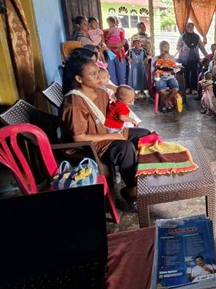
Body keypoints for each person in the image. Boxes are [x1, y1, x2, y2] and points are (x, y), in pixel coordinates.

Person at [60, 56, 150, 210]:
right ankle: (131, 190)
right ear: (79, 79)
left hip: (104, 132)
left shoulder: (101, 93)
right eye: (93, 74)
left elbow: (111, 113)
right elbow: (78, 138)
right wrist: (113, 135)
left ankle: (136, 172)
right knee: (125, 148)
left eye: (98, 72)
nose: (99, 77)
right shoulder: (74, 104)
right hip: (87, 146)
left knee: (145, 134)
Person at [177, 22, 207, 94]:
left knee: (194, 74)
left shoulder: (197, 37)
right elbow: (178, 47)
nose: (190, 28)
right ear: (186, 28)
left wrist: (207, 55)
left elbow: (201, 47)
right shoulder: (182, 37)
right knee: (186, 74)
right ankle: (187, 88)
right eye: (189, 27)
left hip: (195, 59)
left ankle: (194, 89)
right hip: (185, 60)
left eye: (192, 27)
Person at [154, 41, 180, 112]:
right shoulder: (156, 58)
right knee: (161, 89)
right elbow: (154, 70)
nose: (167, 49)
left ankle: (167, 101)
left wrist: (174, 69)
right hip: (160, 77)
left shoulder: (171, 58)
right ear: (160, 48)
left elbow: (174, 68)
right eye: (165, 47)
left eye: (168, 47)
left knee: (176, 88)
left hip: (170, 76)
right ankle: (168, 103)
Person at [104, 16, 128, 86]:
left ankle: (122, 91)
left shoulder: (120, 31)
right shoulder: (105, 31)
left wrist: (111, 46)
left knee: (121, 76)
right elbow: (104, 44)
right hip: (110, 55)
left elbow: (122, 43)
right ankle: (114, 91)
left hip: (120, 56)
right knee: (111, 76)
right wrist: (114, 46)